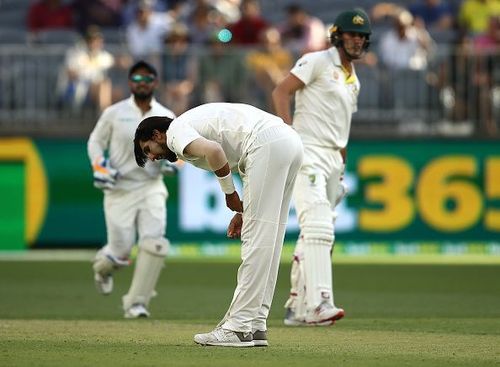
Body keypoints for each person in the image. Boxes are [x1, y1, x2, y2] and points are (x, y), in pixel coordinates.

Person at [134, 102, 303, 347]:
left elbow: (214, 151)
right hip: (289, 141)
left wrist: (229, 194)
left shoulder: (175, 132)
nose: (152, 157)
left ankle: (238, 327)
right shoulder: (190, 124)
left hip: (266, 143)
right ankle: (255, 323)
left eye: (148, 148)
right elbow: (244, 161)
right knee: (270, 238)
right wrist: (244, 210)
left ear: (157, 134)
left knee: (257, 241)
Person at [272, 8, 372, 326]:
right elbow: (281, 91)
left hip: (332, 158)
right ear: (337, 35)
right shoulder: (317, 60)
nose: (356, 40)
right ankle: (319, 303)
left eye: (361, 36)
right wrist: (288, 135)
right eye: (351, 34)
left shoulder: (353, 79)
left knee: (314, 233)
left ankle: (296, 306)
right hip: (307, 150)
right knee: (318, 226)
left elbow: (341, 126)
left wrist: (342, 163)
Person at [88, 60, 176, 319]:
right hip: (120, 188)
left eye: (147, 79)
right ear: (129, 83)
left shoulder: (165, 114)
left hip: (151, 186)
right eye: (137, 79)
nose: (142, 84)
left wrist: (174, 164)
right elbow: (95, 141)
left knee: (154, 243)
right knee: (120, 252)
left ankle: (137, 303)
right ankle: (102, 268)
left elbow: (178, 149)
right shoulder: (115, 112)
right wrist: (99, 166)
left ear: (155, 83)